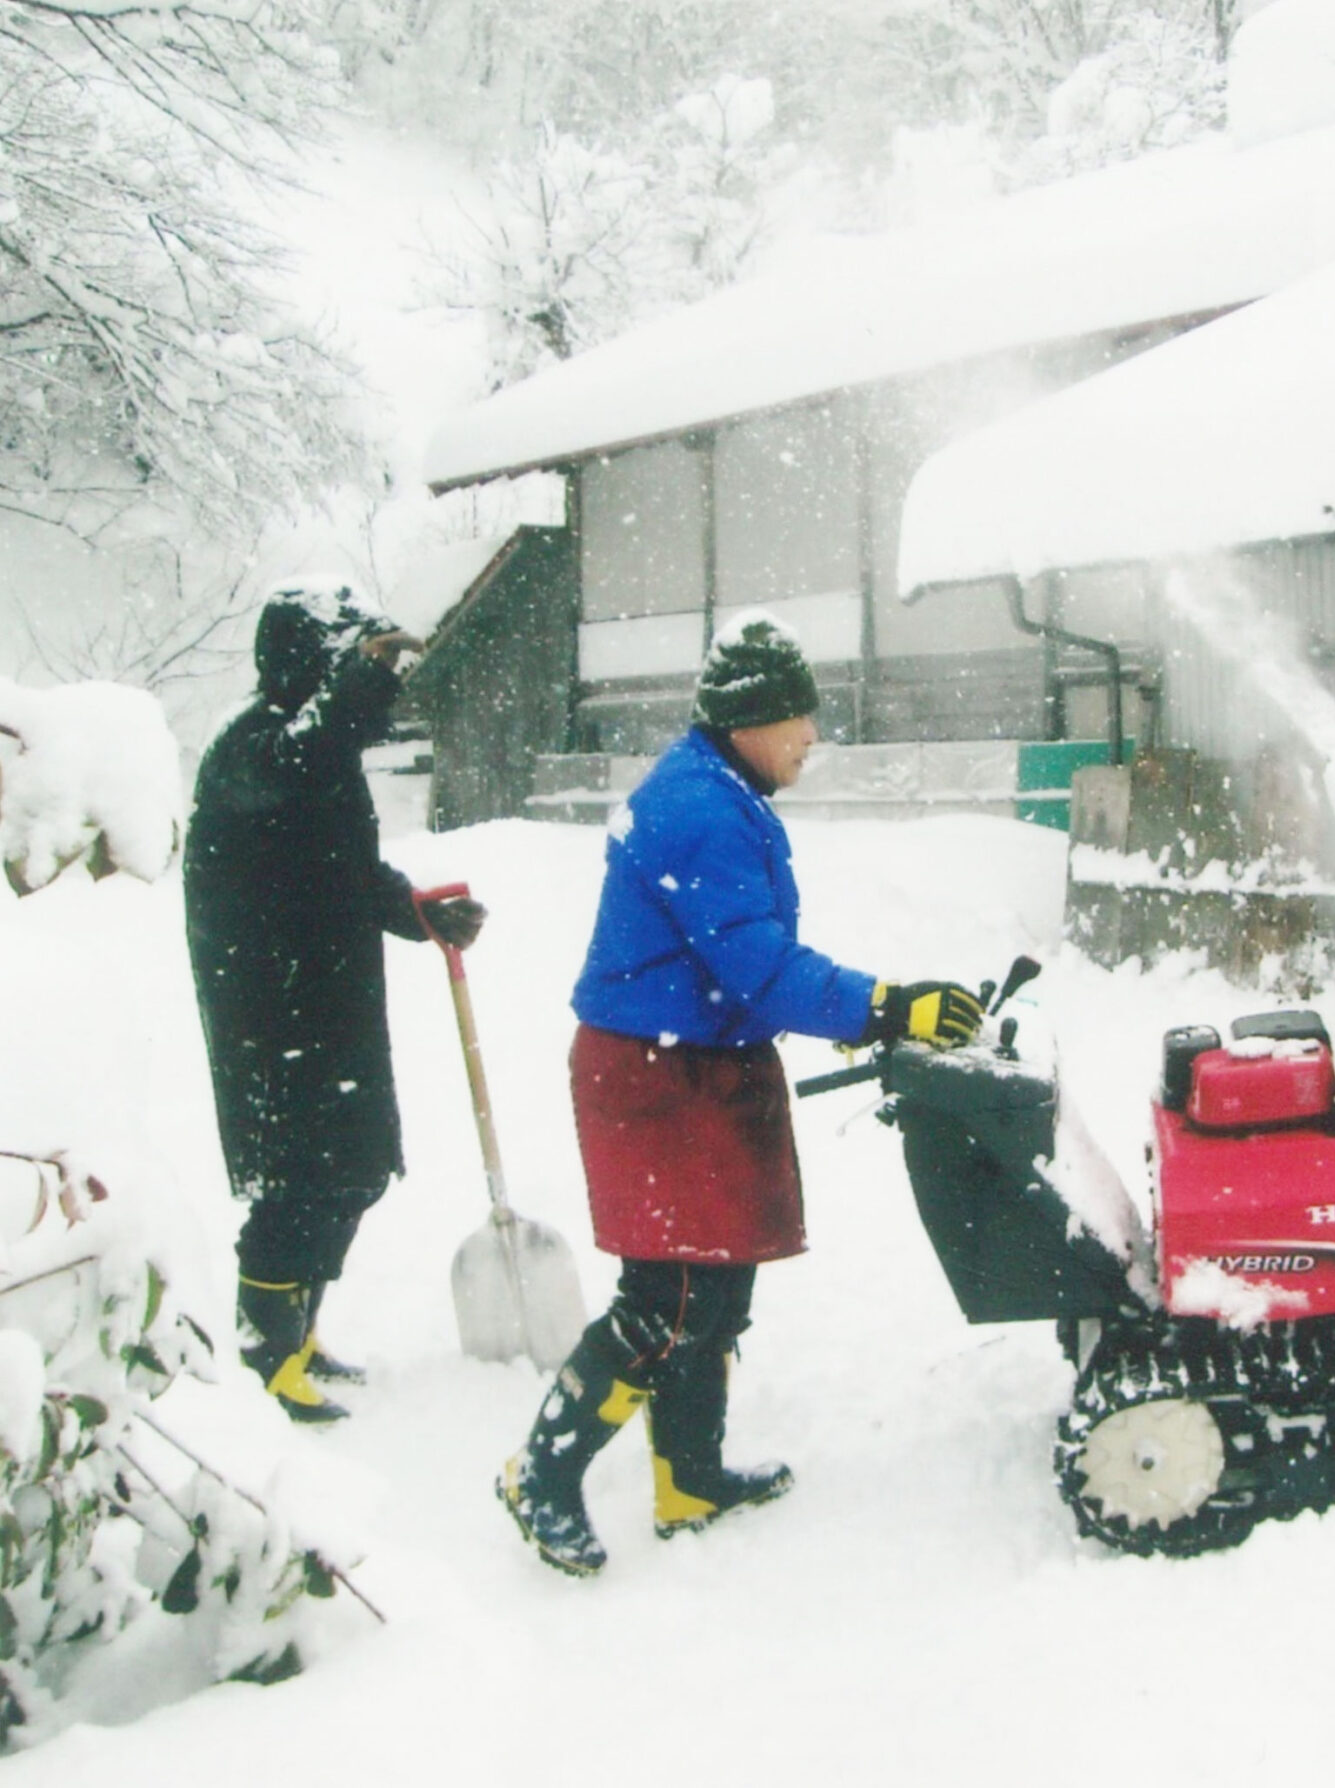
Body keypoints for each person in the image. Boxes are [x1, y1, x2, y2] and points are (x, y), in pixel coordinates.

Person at [498, 613, 985, 1577]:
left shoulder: (720, 789)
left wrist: (880, 1010)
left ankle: (689, 1478)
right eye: (799, 716)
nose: (813, 735)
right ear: (751, 719)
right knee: (668, 1298)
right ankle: (538, 1476)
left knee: (714, 1286)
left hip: (698, 1066)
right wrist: (887, 1007)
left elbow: (747, 969)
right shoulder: (700, 808)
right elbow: (758, 967)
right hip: (654, 1076)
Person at [185, 583, 486, 1424]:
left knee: (353, 1171)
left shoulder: (318, 752)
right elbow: (305, 754)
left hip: (330, 996)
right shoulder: (250, 748)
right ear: (304, 663)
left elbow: (349, 869)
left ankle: (299, 1329)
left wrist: (418, 910)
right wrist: (357, 679)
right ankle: (264, 1353)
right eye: (343, 662)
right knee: (295, 1180)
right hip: (268, 1011)